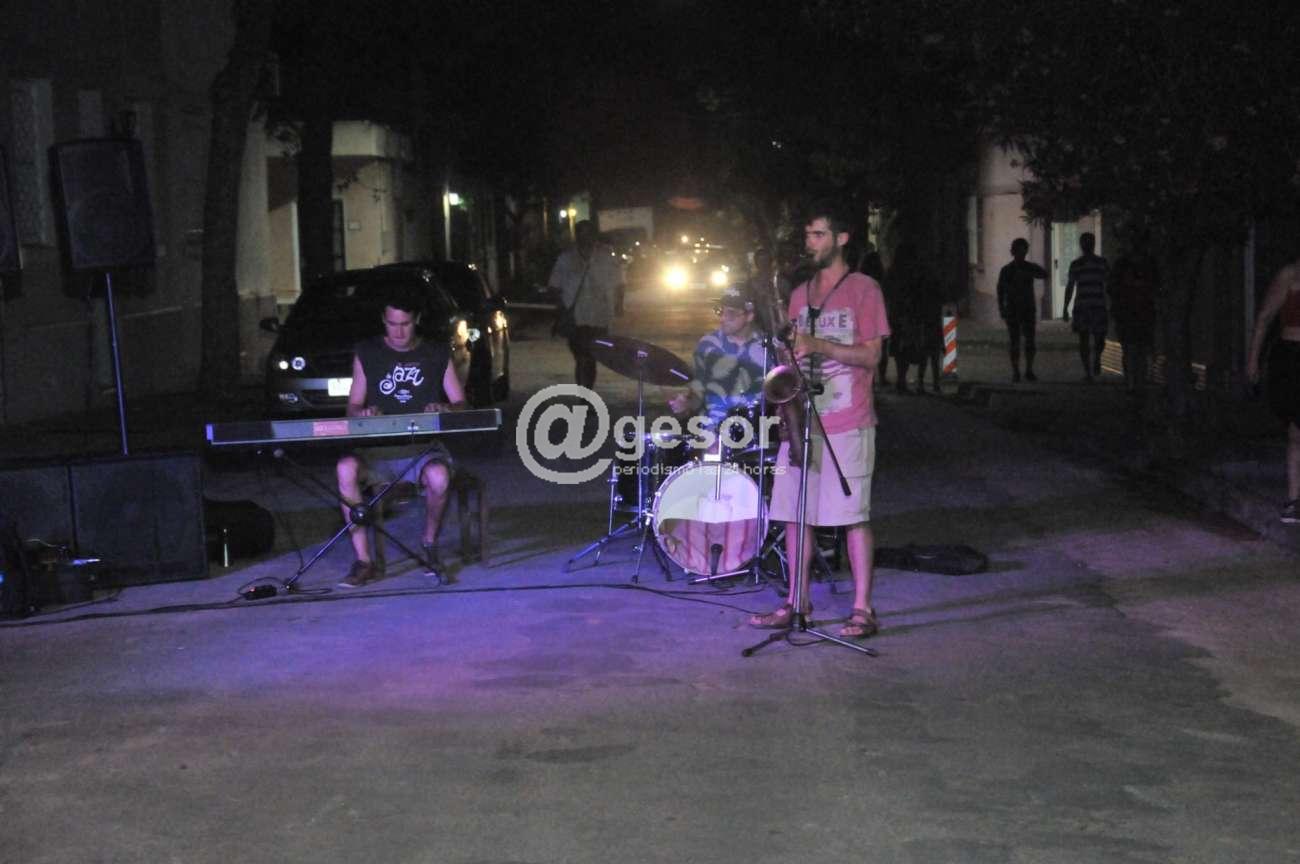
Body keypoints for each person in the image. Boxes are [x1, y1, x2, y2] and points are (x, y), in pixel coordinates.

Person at [749, 202, 890, 638]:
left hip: (849, 420)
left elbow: (871, 356)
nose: (809, 243)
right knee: (794, 514)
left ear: (841, 239)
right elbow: (792, 357)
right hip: (802, 422)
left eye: (818, 235)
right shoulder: (798, 295)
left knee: (853, 516)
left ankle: (863, 609)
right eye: (808, 235)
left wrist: (818, 345)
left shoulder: (864, 289)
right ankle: (798, 602)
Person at [335, 290, 468, 587]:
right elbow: (352, 407)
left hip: (422, 450)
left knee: (439, 477)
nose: (398, 332)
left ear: (416, 320)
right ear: (383, 320)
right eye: (392, 324)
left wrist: (445, 408)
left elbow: (461, 404)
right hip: (375, 452)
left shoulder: (436, 353)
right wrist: (363, 413)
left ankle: (429, 544)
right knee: (345, 468)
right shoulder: (367, 352)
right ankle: (363, 560)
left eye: (405, 324)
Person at [669, 282, 769, 437]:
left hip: (759, 432)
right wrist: (686, 403)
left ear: (750, 315)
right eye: (720, 311)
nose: (723, 318)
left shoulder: (768, 346)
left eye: (731, 314)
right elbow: (697, 393)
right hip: (713, 432)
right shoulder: (708, 345)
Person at [1246, 260, 1300, 524]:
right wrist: (1253, 359)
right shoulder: (1290, 274)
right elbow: (1265, 317)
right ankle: (1294, 499)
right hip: (1292, 358)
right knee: (1296, 430)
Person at [548, 219, 624, 389]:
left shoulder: (605, 257)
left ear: (595, 236)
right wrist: (562, 309)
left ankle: (586, 391)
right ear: (577, 236)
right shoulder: (566, 259)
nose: (586, 238)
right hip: (575, 318)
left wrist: (619, 304)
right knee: (582, 357)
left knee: (590, 358)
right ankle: (584, 392)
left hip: (599, 317)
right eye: (582, 234)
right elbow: (554, 286)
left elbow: (619, 282)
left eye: (589, 234)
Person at [887, 241, 942, 394]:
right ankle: (906, 381)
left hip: (898, 314)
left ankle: (901, 380)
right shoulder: (914, 272)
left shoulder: (894, 272)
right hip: (910, 315)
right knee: (909, 347)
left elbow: (889, 292)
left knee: (901, 348)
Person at [1108, 236, 1160, 394]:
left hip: (1135, 312)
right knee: (1136, 349)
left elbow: (1112, 288)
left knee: (1135, 349)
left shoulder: (1126, 264)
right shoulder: (1143, 264)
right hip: (1133, 312)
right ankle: (1135, 383)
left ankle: (1134, 383)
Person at [996, 237, 1049, 383]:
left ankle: (1027, 370)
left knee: (1029, 341)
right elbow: (1000, 290)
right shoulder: (1007, 270)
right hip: (1013, 309)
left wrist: (1033, 269)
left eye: (1023, 251)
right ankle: (1017, 371)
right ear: (1014, 252)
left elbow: (1044, 274)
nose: (1021, 254)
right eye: (1019, 251)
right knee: (1015, 341)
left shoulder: (1026, 267)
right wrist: (1001, 308)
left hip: (1027, 309)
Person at [1063, 232, 1110, 382]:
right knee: (1083, 339)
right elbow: (1070, 286)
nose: (1087, 245)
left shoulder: (1102, 263)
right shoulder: (1076, 264)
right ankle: (1088, 372)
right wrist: (1065, 307)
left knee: (1100, 338)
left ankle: (1097, 358)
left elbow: (1109, 284)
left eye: (1089, 242)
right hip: (1083, 306)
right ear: (1081, 245)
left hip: (1097, 305)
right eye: (1085, 242)